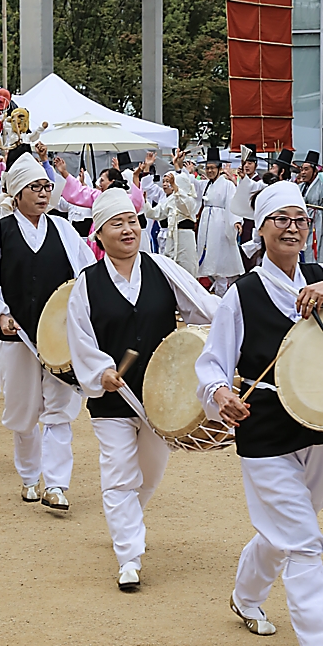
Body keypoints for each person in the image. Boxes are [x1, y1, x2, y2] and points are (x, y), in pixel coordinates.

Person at [195, 180, 323, 646]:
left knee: (285, 531)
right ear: (262, 230)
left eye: (300, 219)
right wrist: (219, 394)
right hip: (265, 434)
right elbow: (212, 362)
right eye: (282, 219)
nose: (293, 227)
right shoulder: (242, 294)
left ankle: (245, 596)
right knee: (304, 541)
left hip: (321, 429)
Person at [66, 189, 218, 590]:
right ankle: (129, 557)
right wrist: (100, 371)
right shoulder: (86, 284)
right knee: (119, 475)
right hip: (112, 399)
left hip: (160, 398)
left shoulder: (161, 268)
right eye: (117, 223)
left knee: (149, 475)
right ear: (99, 234)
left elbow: (204, 308)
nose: (128, 229)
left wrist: (240, 319)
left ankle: (125, 521)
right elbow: (80, 339)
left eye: (132, 220)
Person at [0, 152, 95, 510]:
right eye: (34, 188)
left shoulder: (61, 228)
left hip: (58, 336)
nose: (43, 194)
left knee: (59, 409)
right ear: (16, 193)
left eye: (46, 186)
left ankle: (56, 484)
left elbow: (86, 274)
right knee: (23, 409)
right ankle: (29, 477)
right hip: (18, 335)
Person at [143, 153, 199, 277]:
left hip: (185, 236)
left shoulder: (189, 200)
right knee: (171, 267)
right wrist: (145, 201)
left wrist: (176, 187)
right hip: (171, 236)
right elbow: (154, 213)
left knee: (186, 267)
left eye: (173, 183)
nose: (170, 186)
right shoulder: (170, 200)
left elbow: (183, 205)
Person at [197, 148, 243, 296]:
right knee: (208, 256)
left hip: (221, 222)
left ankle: (223, 292)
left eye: (212, 168)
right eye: (207, 168)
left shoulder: (227, 185)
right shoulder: (205, 184)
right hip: (207, 223)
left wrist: (236, 221)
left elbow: (233, 204)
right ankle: (215, 288)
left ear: (219, 169)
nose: (209, 171)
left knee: (220, 258)